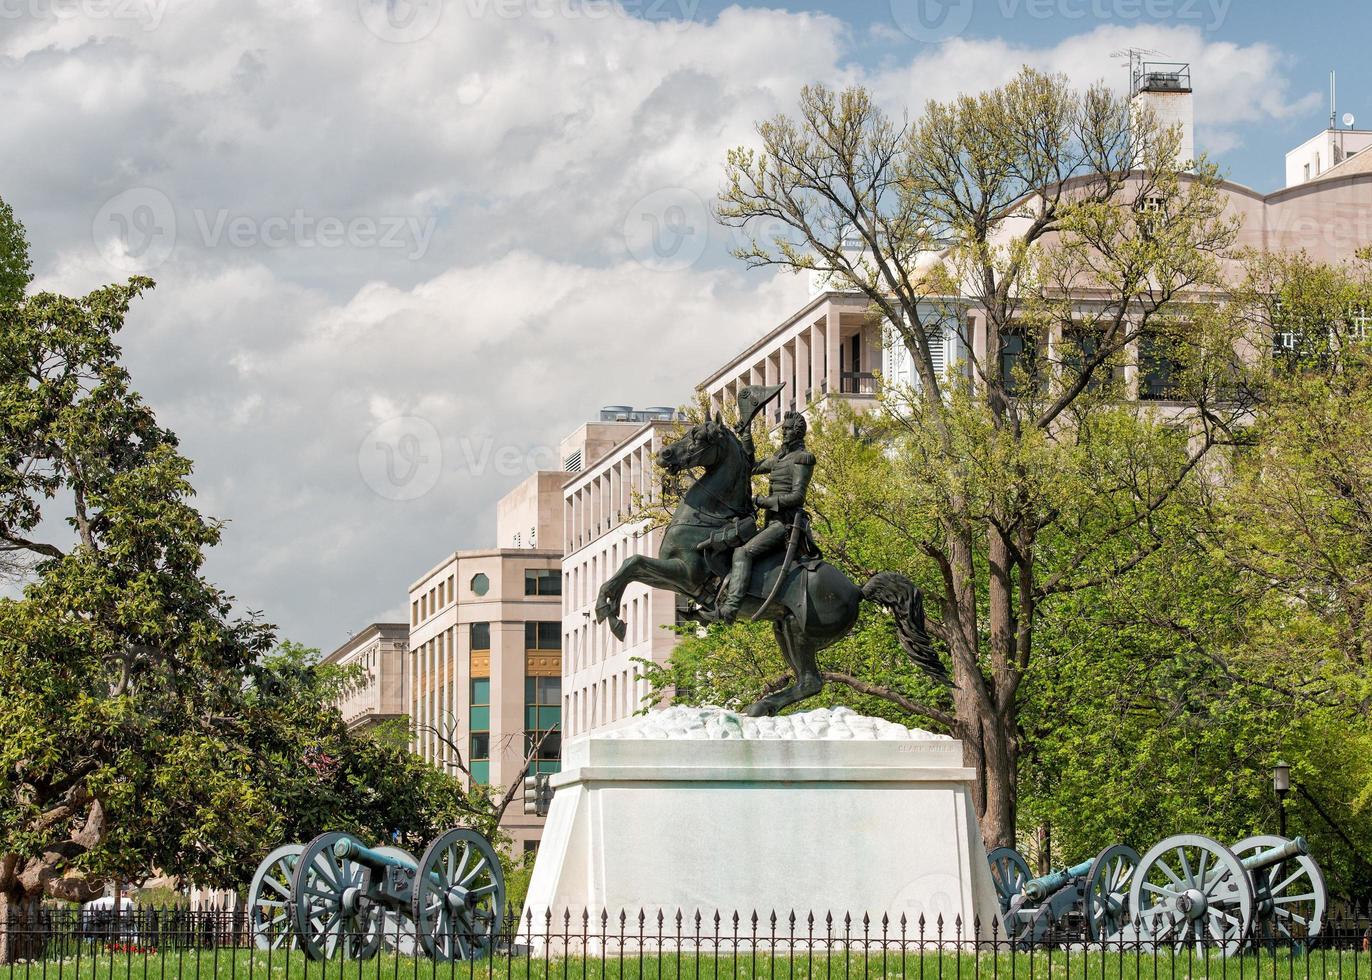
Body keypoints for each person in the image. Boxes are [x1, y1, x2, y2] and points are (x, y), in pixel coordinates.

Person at [717, 410, 814, 623]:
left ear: (798, 432)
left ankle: (731, 607)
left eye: (788, 429)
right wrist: (746, 435)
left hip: (785, 525)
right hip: (770, 521)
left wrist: (764, 501)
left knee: (743, 553)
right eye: (784, 429)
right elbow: (751, 466)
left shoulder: (802, 458)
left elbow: (798, 496)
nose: (784, 433)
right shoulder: (780, 458)